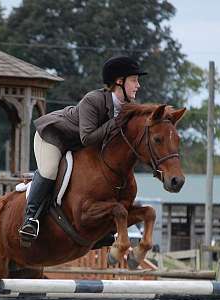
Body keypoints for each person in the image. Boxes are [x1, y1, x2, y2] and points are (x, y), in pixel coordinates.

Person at [18, 55, 147, 243]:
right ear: (119, 81)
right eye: (134, 80)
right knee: (50, 170)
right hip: (54, 136)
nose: (138, 85)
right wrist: (114, 123)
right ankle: (30, 220)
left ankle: (101, 232)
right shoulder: (93, 100)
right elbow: (87, 138)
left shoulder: (128, 108)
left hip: (77, 145)